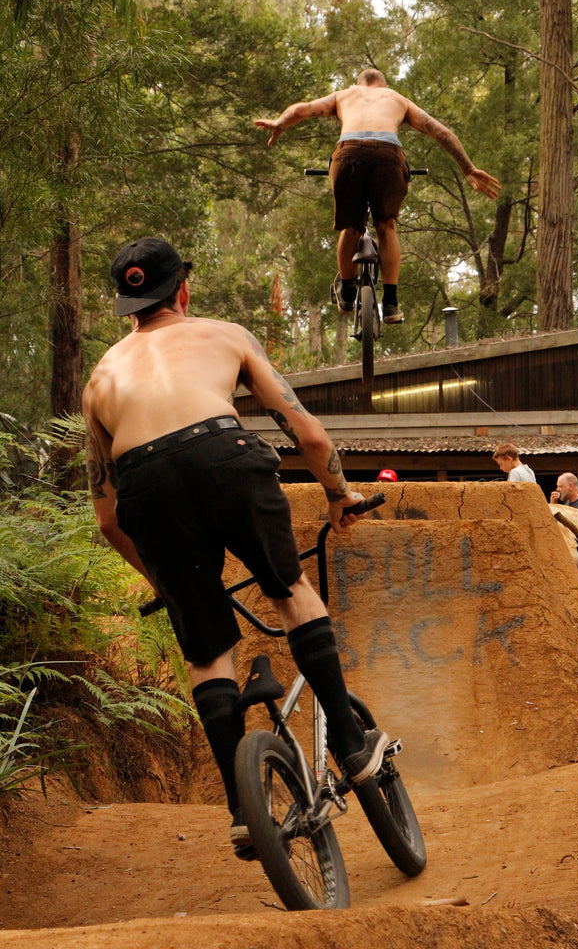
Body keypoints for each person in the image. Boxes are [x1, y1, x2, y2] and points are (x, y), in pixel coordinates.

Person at [82, 237, 389, 860]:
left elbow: (110, 521)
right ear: (184, 291)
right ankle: (353, 746)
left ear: (127, 306)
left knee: (207, 650)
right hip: (224, 455)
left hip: (144, 484)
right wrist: (339, 495)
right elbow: (302, 429)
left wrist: (170, 586)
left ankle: (242, 809)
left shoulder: (98, 381)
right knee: (288, 589)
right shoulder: (223, 334)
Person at [254, 68, 500, 324]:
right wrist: (468, 169)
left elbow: (301, 110)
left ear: (359, 84)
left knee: (350, 227)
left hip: (348, 154)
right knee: (387, 225)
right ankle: (391, 304)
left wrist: (279, 123)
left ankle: (347, 290)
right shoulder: (397, 99)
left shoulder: (344, 95)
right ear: (384, 85)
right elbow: (441, 132)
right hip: (388, 157)